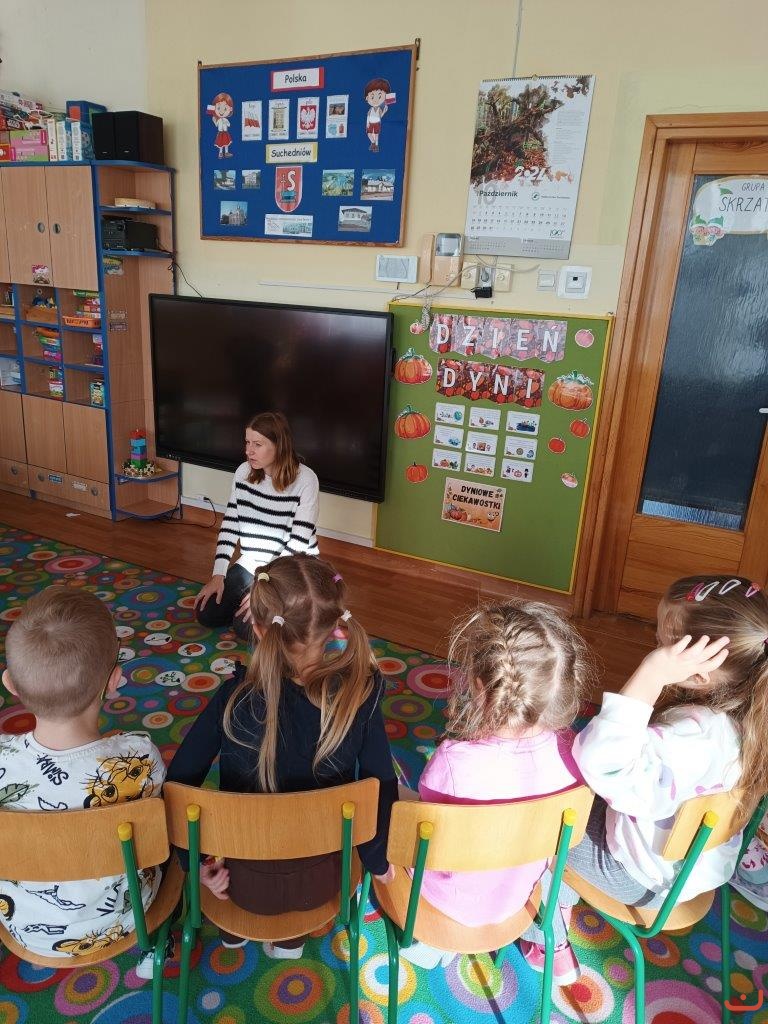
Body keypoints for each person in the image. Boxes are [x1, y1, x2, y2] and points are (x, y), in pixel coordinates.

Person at [523, 575, 768, 969]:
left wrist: (651, 675)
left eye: (661, 646)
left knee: (544, 812)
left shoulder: (688, 737)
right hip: (693, 871)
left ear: (700, 673)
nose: (655, 647)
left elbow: (600, 761)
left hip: (636, 878)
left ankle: (547, 937)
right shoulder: (755, 722)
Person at [168, 554, 398, 959]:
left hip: (238, 885)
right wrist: (378, 862)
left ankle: (233, 932)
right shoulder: (360, 697)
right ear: (335, 627)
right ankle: (290, 941)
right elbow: (383, 788)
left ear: (258, 628)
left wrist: (197, 864)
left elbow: (177, 785)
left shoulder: (233, 699)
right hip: (323, 884)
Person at [400, 600, 593, 985]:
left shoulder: (452, 763)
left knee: (390, 800)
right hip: (516, 899)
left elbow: (428, 838)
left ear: (477, 685)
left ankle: (428, 942)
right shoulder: (574, 752)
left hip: (446, 903)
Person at [0, 587, 165, 977]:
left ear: (10, 684)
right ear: (115, 681)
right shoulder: (139, 759)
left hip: (22, 925)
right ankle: (154, 949)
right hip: (125, 921)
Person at [194, 412, 320, 641]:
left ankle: (297, 607)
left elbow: (297, 545)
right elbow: (230, 525)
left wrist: (264, 590)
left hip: (291, 571)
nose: (248, 451)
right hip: (252, 563)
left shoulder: (306, 480)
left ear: (279, 446)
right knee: (207, 613)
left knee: (246, 629)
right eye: (247, 443)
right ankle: (268, 610)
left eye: (258, 444)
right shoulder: (243, 472)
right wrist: (218, 574)